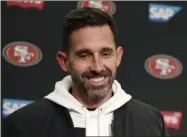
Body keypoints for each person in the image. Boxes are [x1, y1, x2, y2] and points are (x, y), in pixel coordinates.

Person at [3, 7, 169, 137]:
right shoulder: (24, 124)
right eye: (84, 55)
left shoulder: (150, 121)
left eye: (106, 53)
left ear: (118, 57)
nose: (97, 67)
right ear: (64, 62)